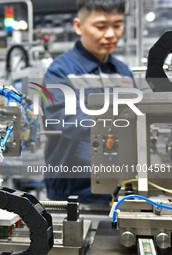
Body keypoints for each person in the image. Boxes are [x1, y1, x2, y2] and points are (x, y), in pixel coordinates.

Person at [42, 0, 134, 203]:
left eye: (117, 25)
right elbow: (67, 120)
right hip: (74, 192)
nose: (110, 34)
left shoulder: (124, 73)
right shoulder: (60, 71)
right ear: (78, 26)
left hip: (120, 188)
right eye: (101, 26)